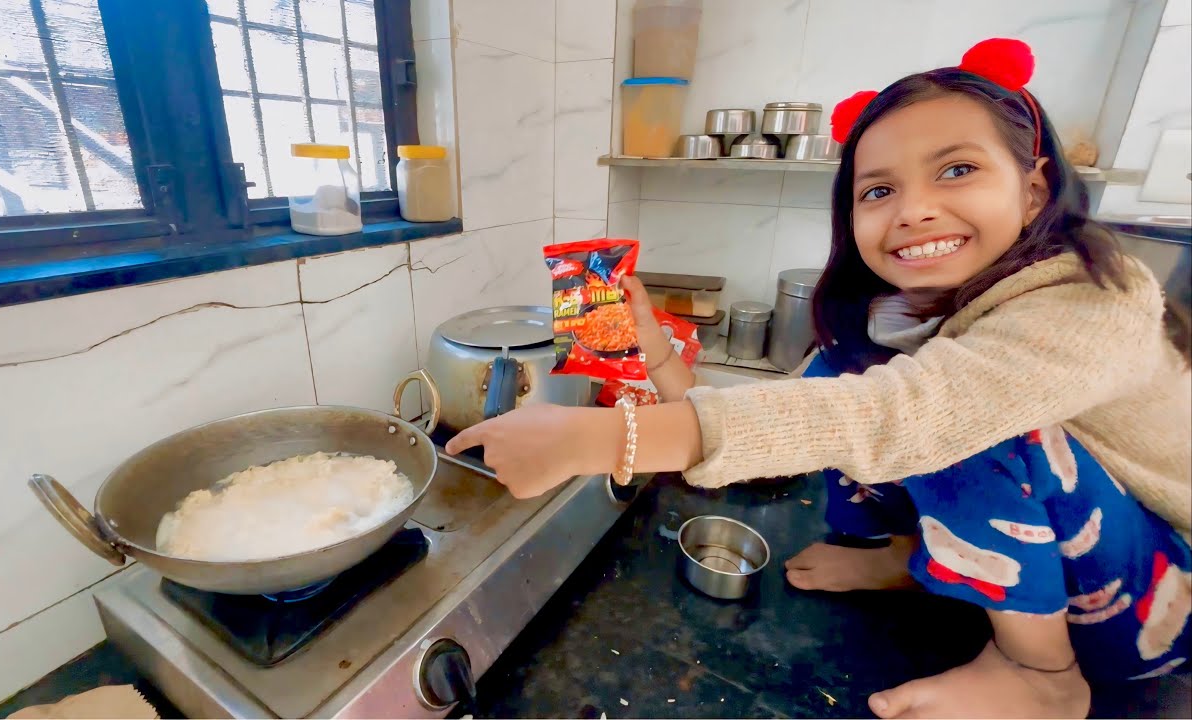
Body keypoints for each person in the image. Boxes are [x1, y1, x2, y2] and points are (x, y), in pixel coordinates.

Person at [446, 38, 1191, 718]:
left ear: (1034, 190)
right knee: (849, 372)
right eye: (878, 190)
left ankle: (1040, 678)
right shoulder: (915, 314)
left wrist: (605, 436)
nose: (915, 210)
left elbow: (904, 416)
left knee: (961, 420)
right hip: (1068, 561)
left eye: (957, 169)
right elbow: (808, 410)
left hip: (1156, 600)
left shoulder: (1095, 297)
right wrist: (657, 355)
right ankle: (901, 558)